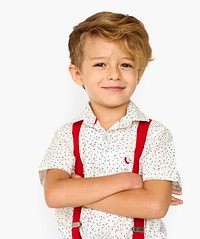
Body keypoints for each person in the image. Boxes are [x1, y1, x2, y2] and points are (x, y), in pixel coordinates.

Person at [39, 11, 183, 239]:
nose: (114, 74)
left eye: (125, 64)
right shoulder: (67, 135)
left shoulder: (155, 134)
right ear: (78, 74)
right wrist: (126, 181)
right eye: (100, 64)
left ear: (139, 74)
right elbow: (55, 195)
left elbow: (155, 205)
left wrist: (80, 192)